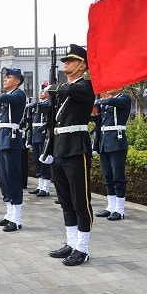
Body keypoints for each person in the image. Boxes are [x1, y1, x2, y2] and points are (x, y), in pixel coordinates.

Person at [44, 44, 95, 266]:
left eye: (70, 61)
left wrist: (54, 88)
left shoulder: (86, 86)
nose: (66, 64)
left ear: (82, 65)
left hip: (76, 148)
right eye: (64, 61)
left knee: (80, 200)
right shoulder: (62, 90)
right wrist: (48, 150)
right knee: (65, 200)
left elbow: (71, 91)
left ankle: (82, 248)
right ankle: (72, 243)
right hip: (60, 148)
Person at [0, 68, 27, 232]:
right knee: (4, 180)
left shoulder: (19, 95)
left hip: (12, 140)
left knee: (13, 179)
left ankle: (16, 219)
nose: (5, 79)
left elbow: (2, 97)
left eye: (8, 77)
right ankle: (9, 215)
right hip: (3, 140)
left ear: (17, 81)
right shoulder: (8, 97)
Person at [93, 88, 132, 220]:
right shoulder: (105, 103)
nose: (108, 88)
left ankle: (119, 210)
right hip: (105, 142)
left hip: (116, 141)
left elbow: (113, 101)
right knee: (108, 177)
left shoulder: (124, 99)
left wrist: (100, 100)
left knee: (118, 177)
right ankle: (111, 207)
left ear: (120, 87)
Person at [27, 83, 52, 197]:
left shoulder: (48, 103)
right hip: (35, 135)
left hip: (43, 135)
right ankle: (40, 185)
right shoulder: (39, 104)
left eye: (43, 91)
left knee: (44, 161)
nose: (41, 93)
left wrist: (33, 104)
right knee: (37, 162)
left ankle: (46, 188)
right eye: (40, 91)